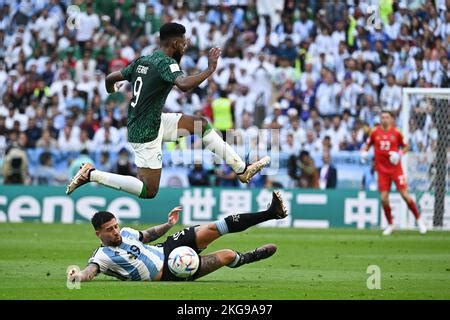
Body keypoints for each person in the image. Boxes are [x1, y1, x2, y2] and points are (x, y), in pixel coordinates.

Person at [66, 22, 269, 199]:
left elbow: (110, 78)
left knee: (200, 124)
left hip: (152, 120)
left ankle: (241, 170)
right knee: (149, 191)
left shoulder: (142, 60)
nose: (185, 46)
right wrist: (209, 70)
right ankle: (91, 174)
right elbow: (183, 84)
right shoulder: (166, 63)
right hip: (146, 132)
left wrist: (112, 90)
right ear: (175, 44)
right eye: (184, 42)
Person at [67, 191, 287, 282]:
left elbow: (147, 235)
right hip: (170, 271)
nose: (115, 231)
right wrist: (77, 277)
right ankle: (247, 258)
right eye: (110, 229)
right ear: (98, 233)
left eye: (115, 226)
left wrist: (168, 224)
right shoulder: (102, 256)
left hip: (168, 248)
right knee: (228, 255)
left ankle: (271, 213)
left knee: (213, 228)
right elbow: (90, 271)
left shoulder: (125, 233)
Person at [361, 110, 427, 235]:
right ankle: (391, 224)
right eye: (382, 117)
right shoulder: (374, 132)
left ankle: (419, 220)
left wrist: (399, 154)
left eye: (387, 117)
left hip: (396, 170)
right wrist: (364, 152)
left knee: (405, 195)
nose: (384, 119)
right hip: (382, 170)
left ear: (391, 119)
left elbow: (406, 146)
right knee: (384, 198)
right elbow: (367, 145)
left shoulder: (397, 133)